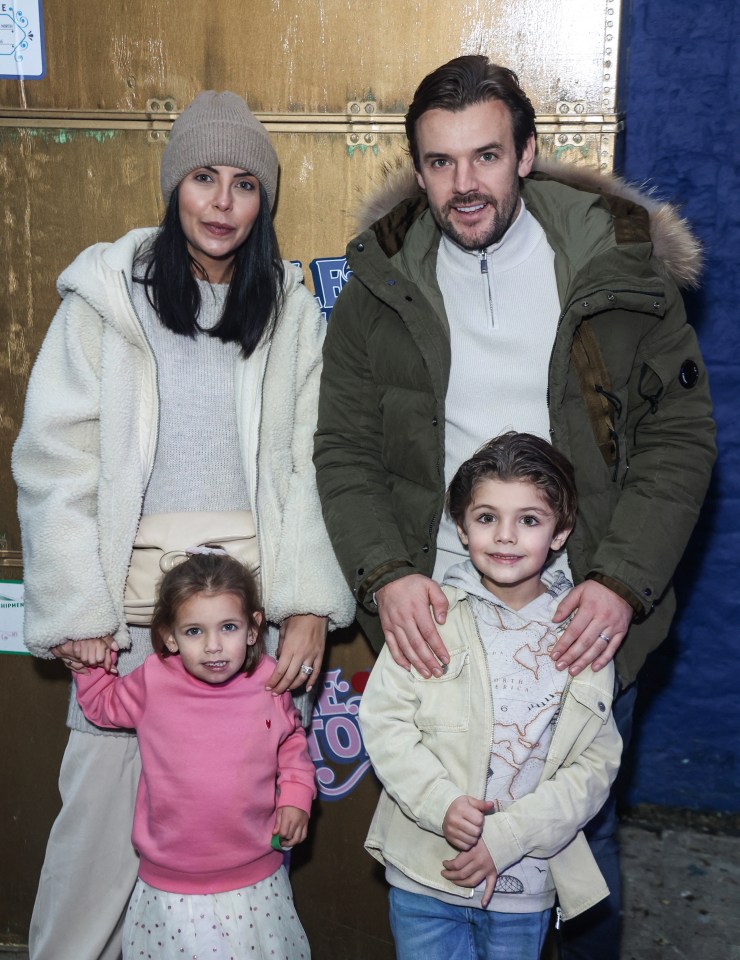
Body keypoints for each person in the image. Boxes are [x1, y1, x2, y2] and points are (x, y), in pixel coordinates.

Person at [314, 55, 715, 957]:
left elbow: (678, 441)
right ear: (417, 169)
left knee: (572, 843)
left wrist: (621, 583)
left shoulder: (619, 267)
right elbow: (344, 450)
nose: (465, 185)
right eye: (442, 161)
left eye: (487, 156)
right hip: (436, 616)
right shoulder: (380, 283)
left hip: (583, 610)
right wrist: (386, 578)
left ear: (527, 152)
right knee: (436, 842)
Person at [13, 90, 355, 960]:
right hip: (125, 617)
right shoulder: (107, 297)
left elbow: (307, 464)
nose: (222, 202)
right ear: (175, 186)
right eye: (204, 177)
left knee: (233, 847)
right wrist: (76, 606)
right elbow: (56, 460)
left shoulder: (289, 309)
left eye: (244, 184)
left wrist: (309, 601)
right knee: (93, 838)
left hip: (246, 625)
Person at [359, 433, 622, 960]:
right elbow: (384, 720)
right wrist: (441, 803)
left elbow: (596, 763)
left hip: (522, 885)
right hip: (424, 874)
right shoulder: (429, 617)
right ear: (460, 525)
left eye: (529, 519)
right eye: (486, 518)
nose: (505, 537)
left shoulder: (581, 634)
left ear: (560, 531)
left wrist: (506, 839)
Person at [75, 551, 315, 960]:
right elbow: (101, 704)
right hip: (172, 888)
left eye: (228, 627)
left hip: (256, 881)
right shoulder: (153, 679)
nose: (214, 646)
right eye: (193, 632)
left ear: (253, 629)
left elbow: (292, 742)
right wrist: (89, 656)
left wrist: (296, 798)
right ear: (170, 637)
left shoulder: (268, 682)